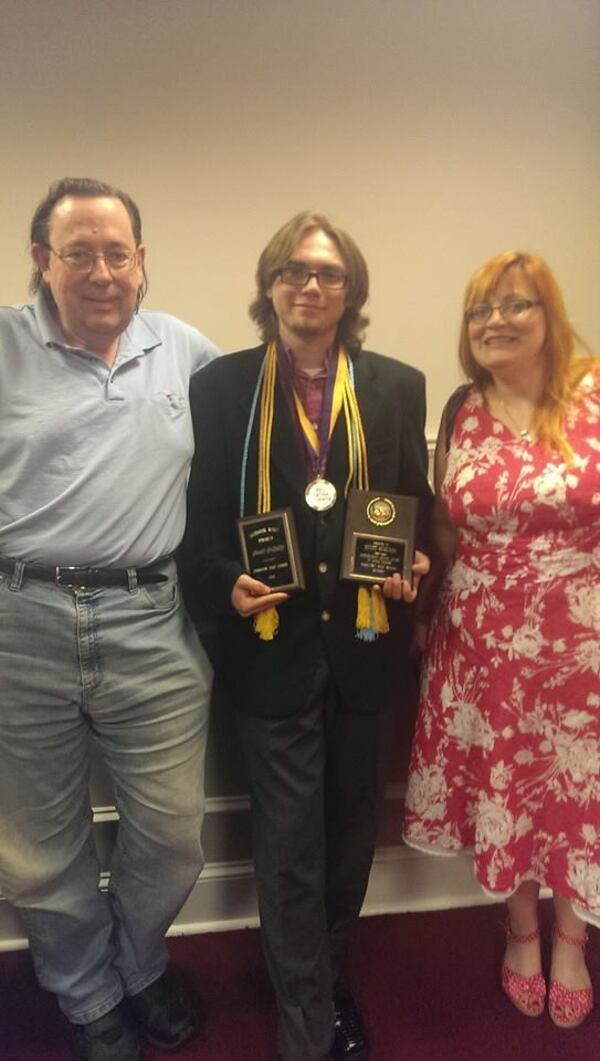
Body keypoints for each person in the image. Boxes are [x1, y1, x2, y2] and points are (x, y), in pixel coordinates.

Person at [180, 211, 432, 1061]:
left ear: (350, 291)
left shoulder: (397, 385)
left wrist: (413, 561)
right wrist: (226, 582)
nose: (310, 285)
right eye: (294, 271)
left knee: (349, 843)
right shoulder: (223, 388)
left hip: (363, 649)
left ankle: (317, 979)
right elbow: (202, 522)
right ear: (269, 285)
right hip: (272, 646)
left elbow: (412, 502)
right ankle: (306, 1028)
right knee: (290, 847)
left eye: (327, 273)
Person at [0, 177, 218, 1060]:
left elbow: (265, 454)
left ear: (142, 262)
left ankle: (137, 963)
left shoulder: (186, 351)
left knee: (170, 834)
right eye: (77, 252)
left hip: (151, 619)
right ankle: (90, 1000)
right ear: (42, 261)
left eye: (116, 252)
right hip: (20, 621)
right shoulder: (5, 345)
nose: (100, 270)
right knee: (38, 847)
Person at [403, 250, 599, 1029]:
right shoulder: (462, 408)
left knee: (580, 789)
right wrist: (424, 611)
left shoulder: (592, 393)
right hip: (481, 639)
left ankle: (572, 939)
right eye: (480, 310)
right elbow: (446, 525)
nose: (495, 321)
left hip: (582, 639)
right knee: (508, 784)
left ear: (550, 314)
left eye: (515, 305)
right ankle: (521, 929)